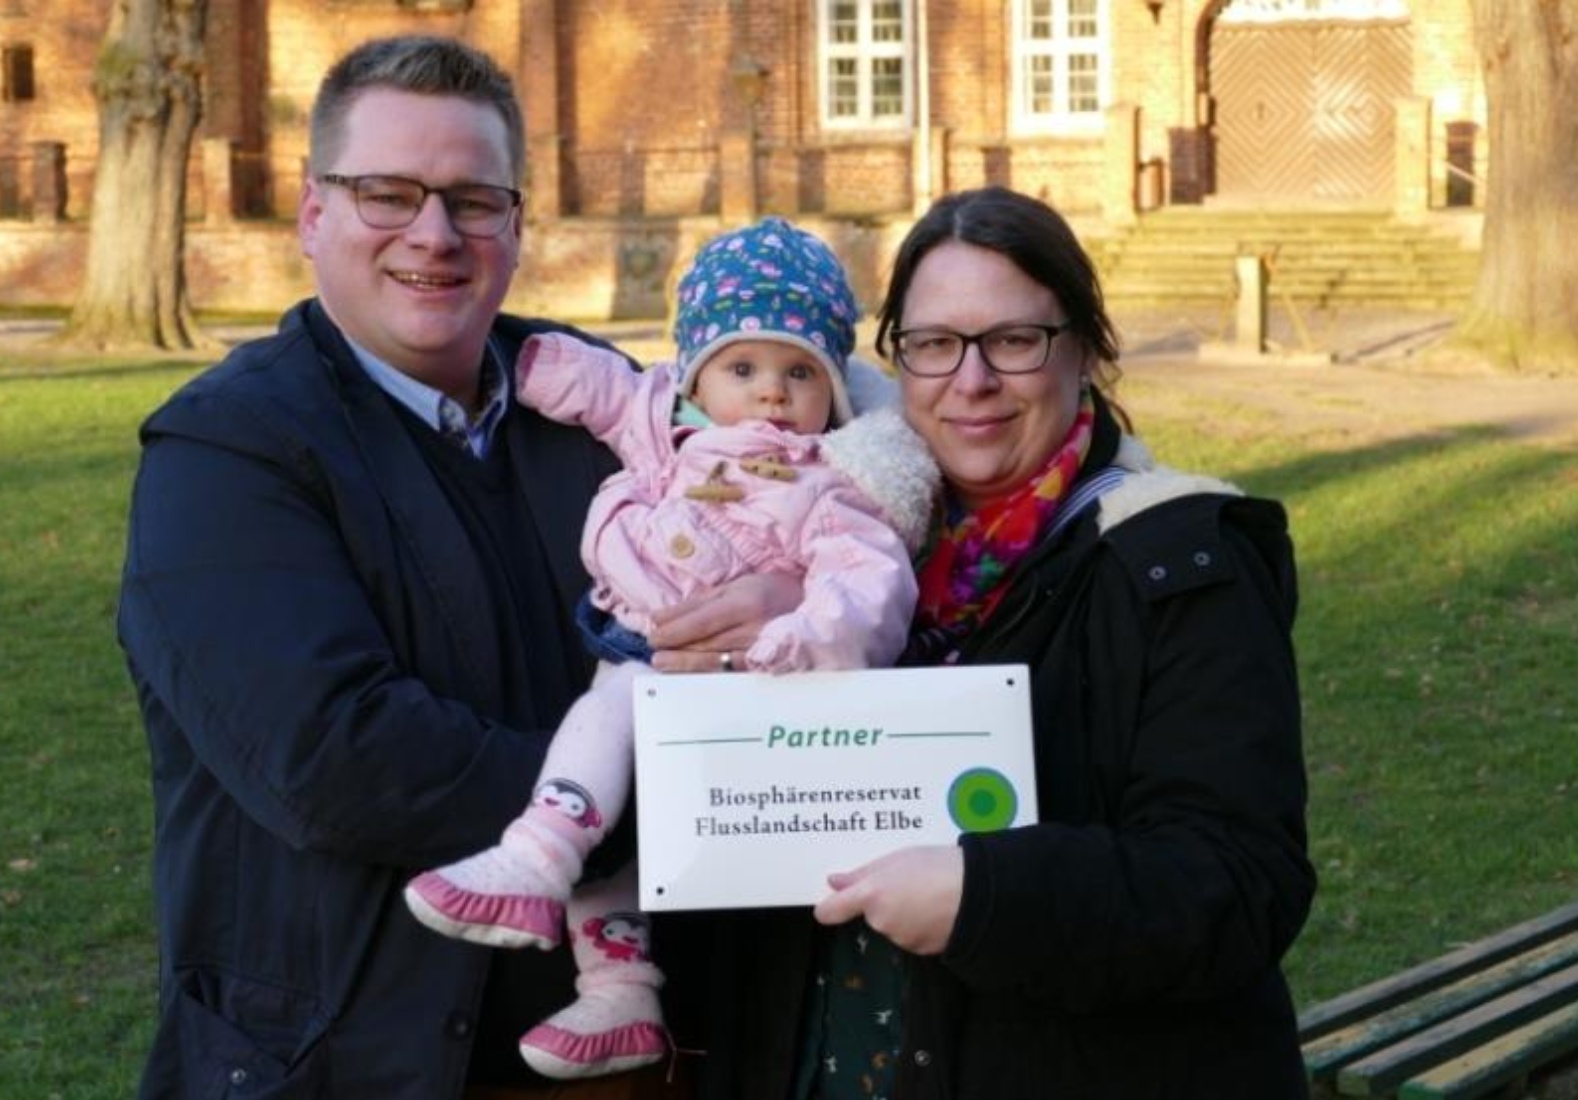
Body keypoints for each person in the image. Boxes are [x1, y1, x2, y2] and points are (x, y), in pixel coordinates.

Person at [116, 35, 787, 1099]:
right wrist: (677, 788)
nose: (434, 234)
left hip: (614, 1057)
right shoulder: (227, 453)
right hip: (340, 1055)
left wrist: (782, 591)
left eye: (474, 200)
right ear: (311, 213)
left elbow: (800, 473)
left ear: (517, 223)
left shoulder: (599, 407)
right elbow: (333, 755)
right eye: (387, 193)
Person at [682, 186, 1316, 1099]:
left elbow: (1236, 885)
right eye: (934, 344)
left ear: (1086, 348)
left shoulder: (1179, 561)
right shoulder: (835, 554)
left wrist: (986, 897)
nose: (970, 382)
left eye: (1014, 341)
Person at [401, 217, 937, 1082]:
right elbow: (613, 392)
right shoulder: (666, 428)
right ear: (696, 376)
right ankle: (615, 987)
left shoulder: (829, 483)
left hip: (748, 693)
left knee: (622, 747)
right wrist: (543, 367)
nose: (770, 393)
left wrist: (796, 639)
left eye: (799, 372)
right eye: (742, 368)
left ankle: (541, 852)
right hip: (641, 651)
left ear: (832, 389)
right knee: (610, 753)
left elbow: (870, 590)